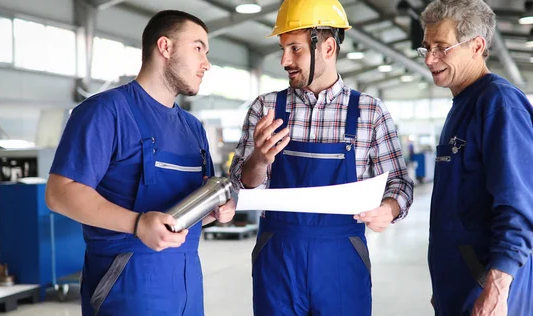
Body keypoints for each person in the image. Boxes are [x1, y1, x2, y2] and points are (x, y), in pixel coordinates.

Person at [229, 0, 414, 314]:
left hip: (342, 258)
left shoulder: (370, 111)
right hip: (278, 257)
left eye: (296, 49)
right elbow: (239, 187)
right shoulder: (266, 109)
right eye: (283, 48)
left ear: (328, 48)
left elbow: (399, 182)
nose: (285, 59)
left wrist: (389, 208)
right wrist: (259, 159)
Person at [45, 10, 235, 316]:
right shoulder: (104, 112)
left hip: (187, 287)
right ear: (165, 46)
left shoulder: (193, 128)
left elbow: (185, 216)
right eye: (198, 48)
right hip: (126, 288)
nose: (206, 64)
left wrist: (214, 211)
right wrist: (137, 223)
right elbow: (59, 192)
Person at [419, 1, 533, 315]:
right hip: (462, 285)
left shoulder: (498, 103)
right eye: (427, 47)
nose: (430, 59)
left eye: (442, 48)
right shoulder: (462, 106)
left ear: (477, 46)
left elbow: (520, 204)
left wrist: (497, 287)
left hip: (489, 290)